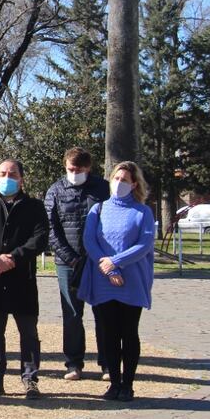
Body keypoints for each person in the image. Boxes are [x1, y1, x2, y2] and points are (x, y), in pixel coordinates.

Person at [0, 159, 49, 400]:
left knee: (28, 332)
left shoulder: (34, 206)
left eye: (12, 173)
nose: (7, 177)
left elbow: (40, 237)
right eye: (2, 173)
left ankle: (30, 380)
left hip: (22, 278)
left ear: (21, 178)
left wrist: (13, 257)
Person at [79, 161, 155, 402]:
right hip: (103, 280)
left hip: (131, 280)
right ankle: (113, 382)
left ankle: (128, 384)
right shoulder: (98, 210)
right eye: (116, 178)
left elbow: (144, 244)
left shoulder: (143, 212)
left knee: (129, 332)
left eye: (124, 180)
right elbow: (90, 241)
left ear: (134, 184)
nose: (119, 183)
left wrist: (117, 262)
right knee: (108, 333)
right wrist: (107, 266)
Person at [44, 147, 111, 381]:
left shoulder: (103, 188)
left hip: (98, 261)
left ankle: (108, 363)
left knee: (103, 313)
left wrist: (101, 256)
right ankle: (73, 363)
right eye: (71, 169)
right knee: (72, 314)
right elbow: (51, 230)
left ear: (88, 168)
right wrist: (71, 258)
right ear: (65, 166)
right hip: (67, 262)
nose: (75, 173)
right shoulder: (54, 191)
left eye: (80, 169)